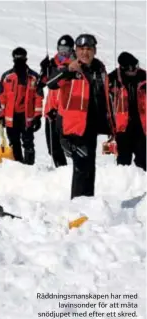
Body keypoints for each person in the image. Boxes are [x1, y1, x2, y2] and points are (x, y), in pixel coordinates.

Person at [47, 34, 115, 199]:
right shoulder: (68, 68)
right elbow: (50, 83)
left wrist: (111, 125)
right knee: (81, 167)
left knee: (89, 167)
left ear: (94, 51)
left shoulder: (99, 69)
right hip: (73, 128)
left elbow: (105, 97)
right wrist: (67, 70)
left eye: (89, 49)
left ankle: (88, 203)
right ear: (76, 51)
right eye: (81, 49)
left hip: (92, 125)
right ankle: (77, 206)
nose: (85, 53)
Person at [0, 47, 44, 165]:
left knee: (28, 142)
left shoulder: (34, 77)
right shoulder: (7, 76)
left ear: (26, 58)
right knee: (13, 142)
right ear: (13, 58)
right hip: (10, 117)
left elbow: (38, 97)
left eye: (21, 57)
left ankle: (29, 166)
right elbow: (1, 98)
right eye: (17, 57)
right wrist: (0, 115)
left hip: (27, 116)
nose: (19, 59)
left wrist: (38, 116)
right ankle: (18, 167)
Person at [38, 35, 76, 167]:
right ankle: (61, 170)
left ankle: (77, 169)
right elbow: (41, 84)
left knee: (70, 145)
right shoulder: (52, 64)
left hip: (68, 110)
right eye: (61, 49)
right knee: (53, 147)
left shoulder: (75, 65)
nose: (63, 52)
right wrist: (43, 71)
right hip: (51, 110)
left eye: (66, 49)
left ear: (72, 49)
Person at [109, 52, 146, 171]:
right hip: (122, 125)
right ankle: (124, 184)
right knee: (123, 160)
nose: (134, 70)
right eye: (131, 68)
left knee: (143, 158)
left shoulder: (143, 76)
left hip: (141, 123)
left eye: (135, 66)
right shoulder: (113, 78)